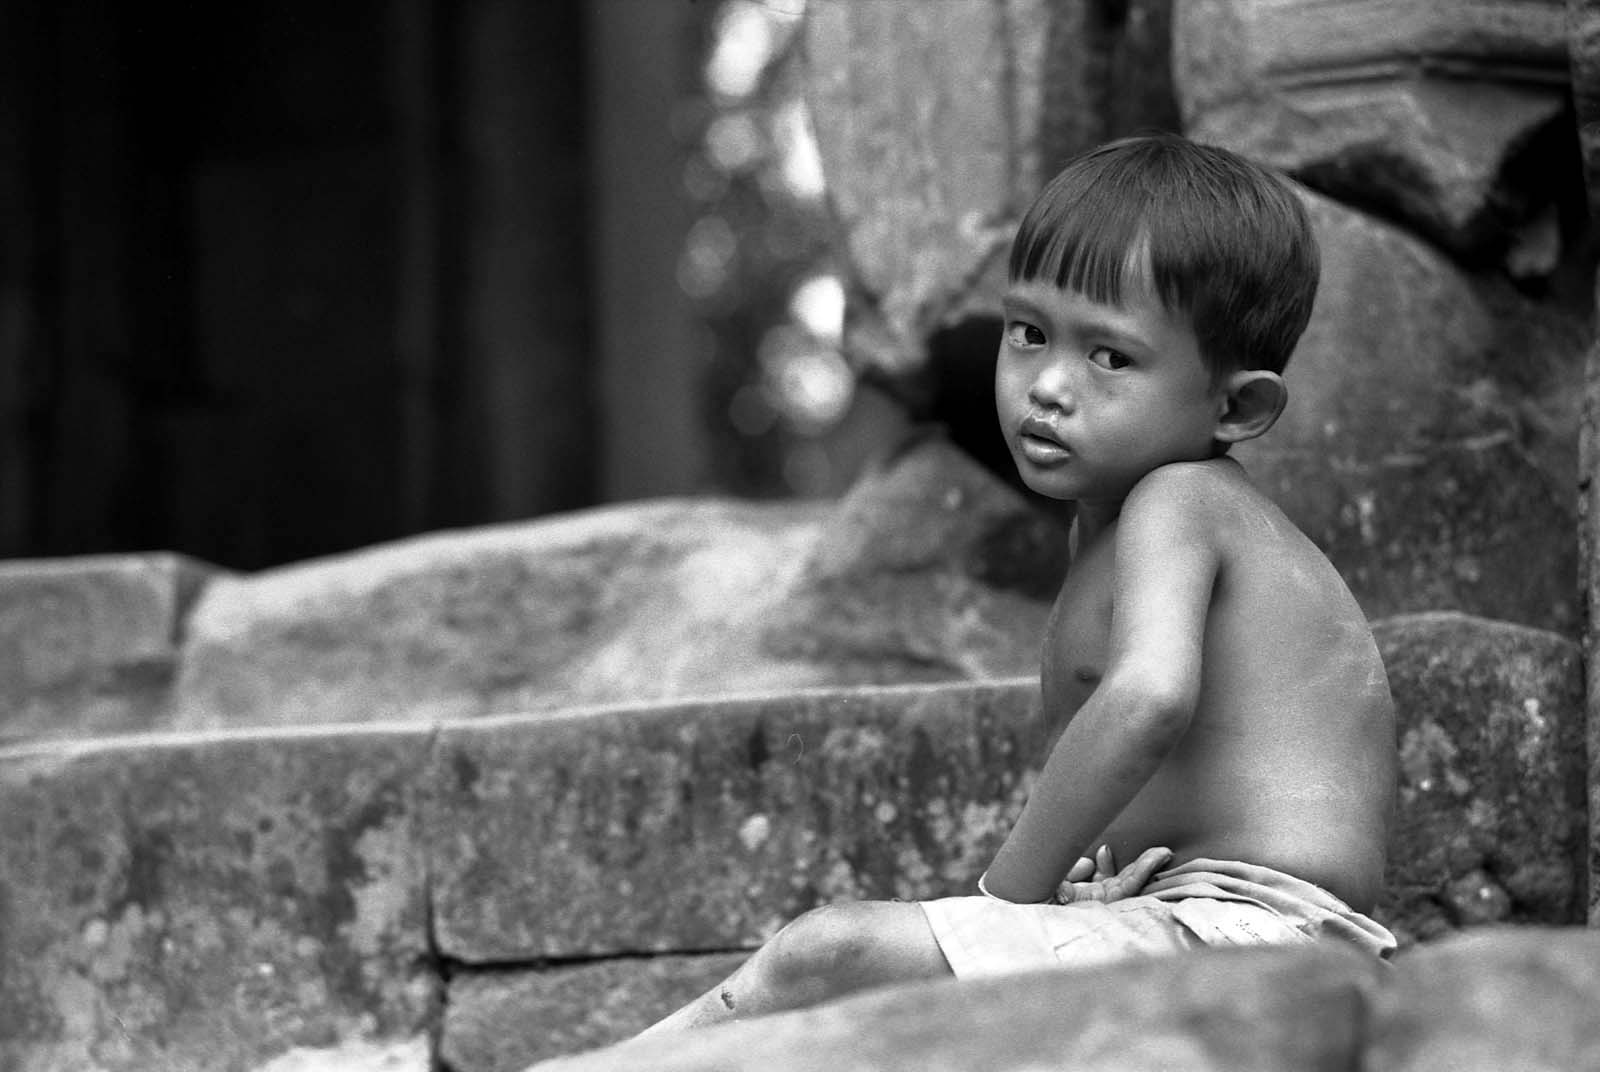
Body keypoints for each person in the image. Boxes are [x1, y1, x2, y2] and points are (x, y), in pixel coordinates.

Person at [640, 133, 1397, 1034]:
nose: (1046, 385)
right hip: (1203, 917)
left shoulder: (1182, 501)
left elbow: (1149, 698)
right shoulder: (1116, 523)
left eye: (1108, 358)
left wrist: (1008, 900)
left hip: (1255, 934)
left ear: (1236, 407)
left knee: (829, 955)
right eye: (1029, 333)